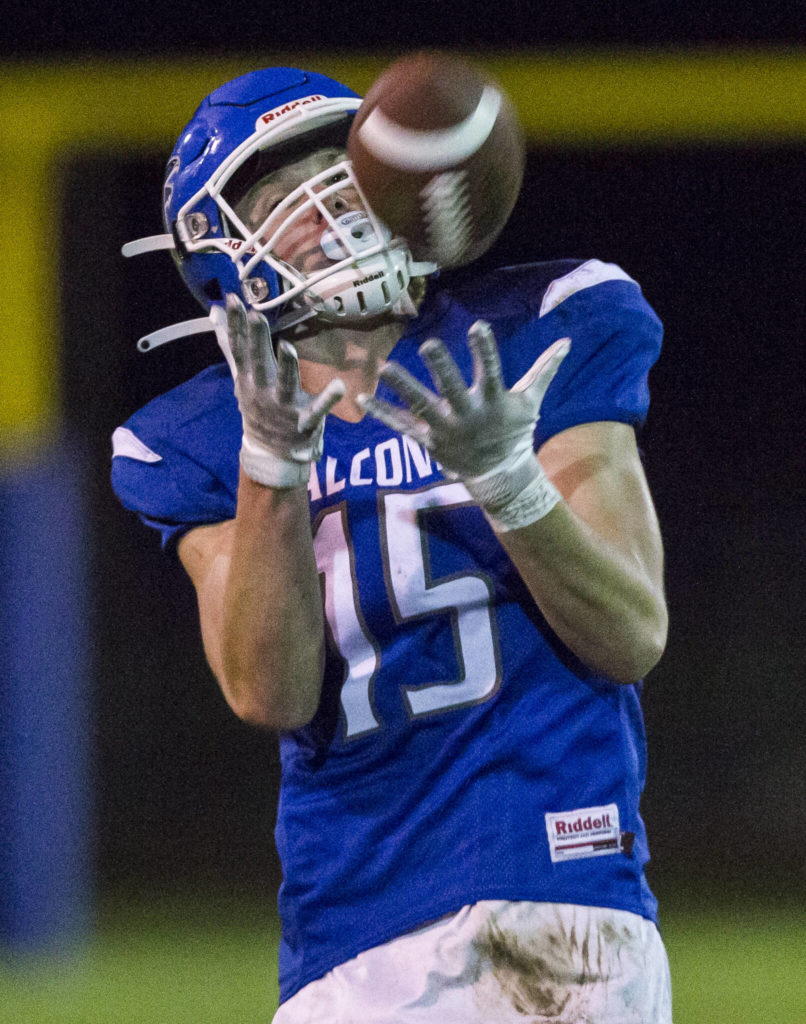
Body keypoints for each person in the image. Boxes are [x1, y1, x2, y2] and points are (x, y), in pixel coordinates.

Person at [111, 65, 673, 1023]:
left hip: (562, 894)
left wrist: (512, 481)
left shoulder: (540, 326)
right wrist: (274, 467)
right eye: (286, 195)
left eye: (346, 168)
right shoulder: (197, 437)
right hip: (350, 928)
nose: (336, 203)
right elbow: (268, 689)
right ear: (221, 255)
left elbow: (632, 633)